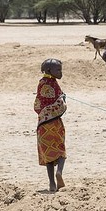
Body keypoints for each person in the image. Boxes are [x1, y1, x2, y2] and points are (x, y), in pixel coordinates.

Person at [34, 59, 67, 192]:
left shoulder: (41, 83)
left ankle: (52, 183)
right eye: (58, 70)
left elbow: (38, 104)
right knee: (60, 150)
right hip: (55, 124)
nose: (60, 72)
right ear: (49, 71)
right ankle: (59, 171)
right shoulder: (53, 84)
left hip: (43, 125)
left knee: (48, 154)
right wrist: (63, 100)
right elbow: (59, 104)